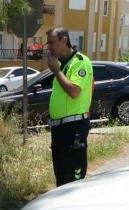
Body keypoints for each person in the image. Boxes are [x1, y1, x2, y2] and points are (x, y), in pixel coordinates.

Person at [45, 27, 94, 187]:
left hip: (74, 130)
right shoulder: (63, 64)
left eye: (52, 43)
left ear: (64, 41)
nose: (49, 47)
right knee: (61, 179)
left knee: (73, 183)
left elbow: (74, 91)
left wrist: (57, 71)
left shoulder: (79, 62)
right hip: (60, 130)